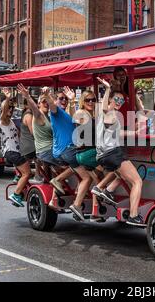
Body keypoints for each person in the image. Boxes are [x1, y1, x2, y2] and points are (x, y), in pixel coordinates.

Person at [93, 77, 144, 227]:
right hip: (112, 153)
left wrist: (134, 133)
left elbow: (118, 133)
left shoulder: (111, 115)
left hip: (102, 155)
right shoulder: (109, 112)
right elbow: (104, 107)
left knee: (122, 175)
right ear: (110, 99)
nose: (119, 102)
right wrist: (107, 89)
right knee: (137, 181)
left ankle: (107, 190)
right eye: (116, 99)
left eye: (122, 100)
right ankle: (133, 215)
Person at [44, 87, 93, 222]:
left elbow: (75, 119)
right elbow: (52, 105)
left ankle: (59, 184)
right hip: (67, 150)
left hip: (65, 151)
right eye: (61, 98)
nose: (63, 100)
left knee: (82, 164)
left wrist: (72, 100)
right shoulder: (56, 112)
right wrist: (47, 96)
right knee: (87, 177)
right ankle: (77, 205)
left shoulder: (65, 113)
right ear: (55, 100)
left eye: (64, 98)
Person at [16, 85, 74, 195]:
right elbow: (34, 108)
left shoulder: (49, 116)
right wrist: (28, 97)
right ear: (39, 104)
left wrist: (71, 101)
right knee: (75, 164)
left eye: (47, 101)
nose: (46, 103)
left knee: (66, 164)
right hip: (46, 151)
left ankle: (56, 195)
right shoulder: (39, 115)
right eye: (43, 101)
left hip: (50, 150)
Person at [0, 88, 31, 208]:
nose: (11, 110)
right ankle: (16, 194)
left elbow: (19, 134)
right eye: (9, 108)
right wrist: (7, 99)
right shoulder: (3, 120)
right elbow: (5, 110)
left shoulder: (11, 121)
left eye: (12, 108)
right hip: (11, 151)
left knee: (29, 157)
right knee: (27, 173)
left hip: (16, 151)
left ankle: (18, 176)